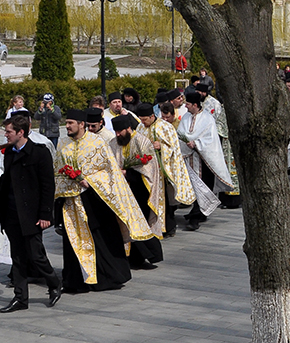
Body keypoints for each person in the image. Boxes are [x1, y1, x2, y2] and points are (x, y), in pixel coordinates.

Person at [54, 109, 154, 293]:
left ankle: (105, 277)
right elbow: (58, 169)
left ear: (81, 124)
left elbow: (109, 172)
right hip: (72, 201)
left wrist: (88, 181)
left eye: (70, 123)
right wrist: (69, 180)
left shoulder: (97, 143)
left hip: (96, 199)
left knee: (100, 238)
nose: (66, 126)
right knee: (73, 240)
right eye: (66, 123)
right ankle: (75, 280)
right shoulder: (62, 143)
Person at [0, 115, 61, 313]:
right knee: (18, 257)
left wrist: (46, 215)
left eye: (9, 132)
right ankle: (20, 298)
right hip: (12, 213)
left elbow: (48, 187)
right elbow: (9, 177)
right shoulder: (9, 153)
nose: (6, 135)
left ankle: (54, 283)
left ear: (20, 133)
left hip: (31, 214)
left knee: (35, 254)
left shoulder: (40, 153)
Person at [110, 114, 165, 268]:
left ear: (129, 128)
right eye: (116, 131)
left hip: (140, 190)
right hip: (122, 191)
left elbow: (149, 170)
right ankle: (134, 258)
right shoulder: (113, 143)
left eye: (120, 131)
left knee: (139, 223)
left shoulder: (142, 142)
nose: (118, 134)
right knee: (128, 224)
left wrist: (127, 173)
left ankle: (150, 255)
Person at [177, 90, 234, 230]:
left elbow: (210, 140)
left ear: (195, 104)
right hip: (189, 160)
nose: (186, 106)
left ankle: (195, 218)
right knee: (193, 188)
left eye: (188, 104)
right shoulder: (185, 117)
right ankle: (199, 212)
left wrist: (196, 144)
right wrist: (186, 143)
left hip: (204, 161)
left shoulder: (207, 119)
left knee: (202, 188)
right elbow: (181, 134)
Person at [140, 102, 196, 237]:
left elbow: (174, 148)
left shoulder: (165, 127)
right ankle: (153, 227)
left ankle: (169, 227)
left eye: (145, 119)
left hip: (163, 171)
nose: (143, 122)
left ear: (152, 116)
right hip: (148, 171)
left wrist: (162, 147)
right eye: (141, 119)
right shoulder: (140, 127)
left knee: (165, 200)